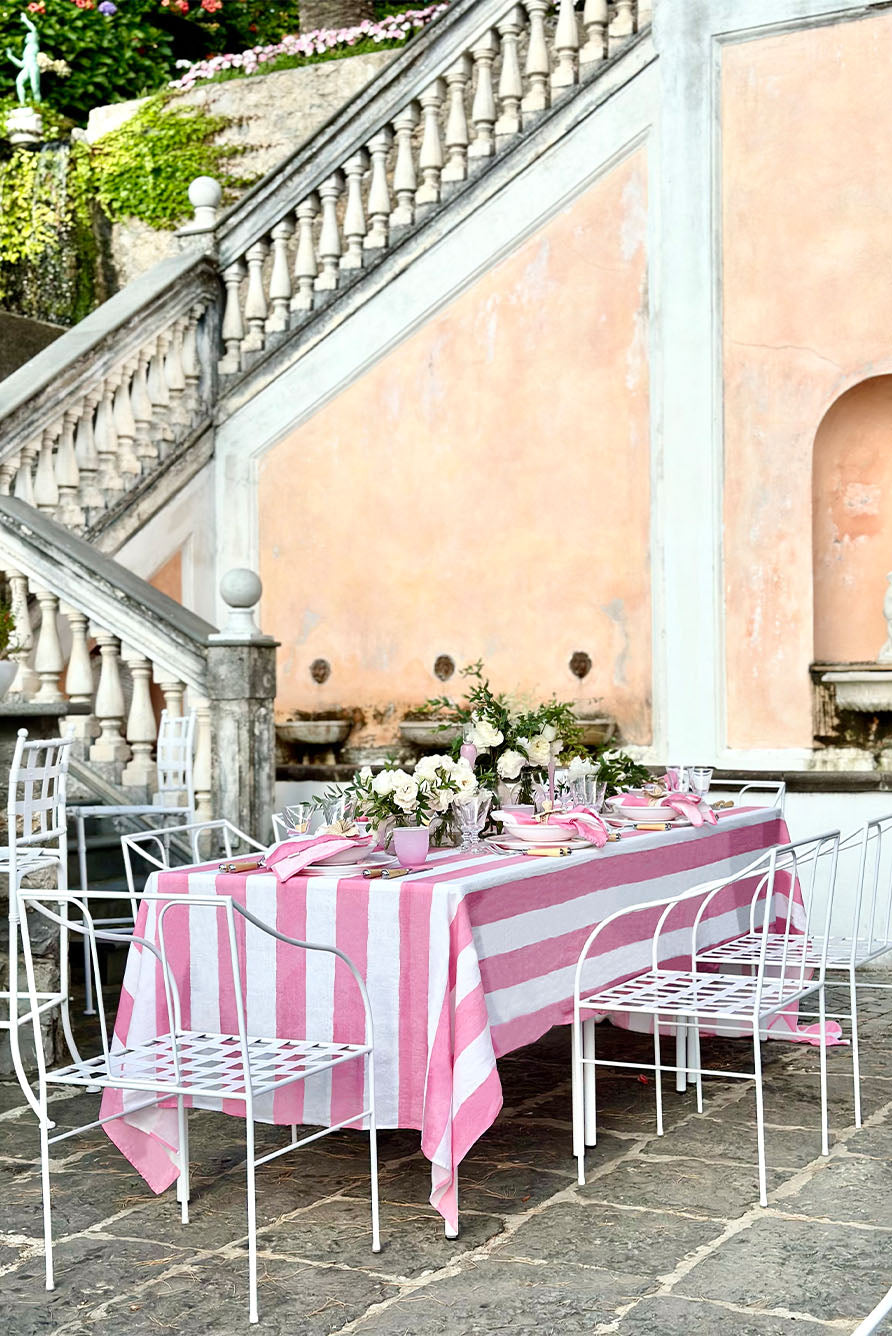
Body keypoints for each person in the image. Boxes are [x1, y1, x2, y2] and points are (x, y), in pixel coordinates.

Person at [6, 13, 41, 105]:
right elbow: (21, 64)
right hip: (27, 67)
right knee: (19, 82)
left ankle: (38, 107)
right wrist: (11, 57)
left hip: (33, 67)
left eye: (29, 35)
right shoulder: (26, 50)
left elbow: (33, 29)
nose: (28, 36)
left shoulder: (34, 45)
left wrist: (25, 19)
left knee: (35, 86)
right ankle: (22, 104)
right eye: (27, 36)